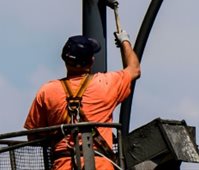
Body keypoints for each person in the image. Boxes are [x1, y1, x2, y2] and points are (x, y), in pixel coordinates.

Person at [24, 29, 141, 170]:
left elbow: (33, 137)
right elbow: (134, 69)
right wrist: (124, 41)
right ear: (91, 61)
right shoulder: (105, 83)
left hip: (62, 165)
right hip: (100, 165)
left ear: (64, 60)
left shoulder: (47, 91)